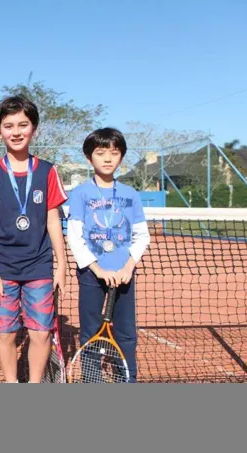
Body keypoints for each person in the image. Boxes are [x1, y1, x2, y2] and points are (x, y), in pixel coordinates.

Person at [0, 95, 68, 383]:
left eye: (23, 124)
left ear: (34, 128)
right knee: (5, 332)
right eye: (9, 125)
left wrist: (61, 265)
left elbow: (53, 220)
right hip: (3, 268)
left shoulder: (48, 171)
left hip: (39, 265)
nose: (16, 131)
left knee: (40, 332)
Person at [66, 127, 151, 383]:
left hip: (125, 275)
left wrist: (128, 267)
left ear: (121, 157)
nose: (107, 158)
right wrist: (98, 269)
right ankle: (92, 381)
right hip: (92, 276)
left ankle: (128, 380)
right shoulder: (80, 193)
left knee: (126, 334)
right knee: (91, 333)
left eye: (114, 153)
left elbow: (142, 235)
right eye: (100, 152)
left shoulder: (130, 194)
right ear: (89, 157)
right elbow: (74, 236)